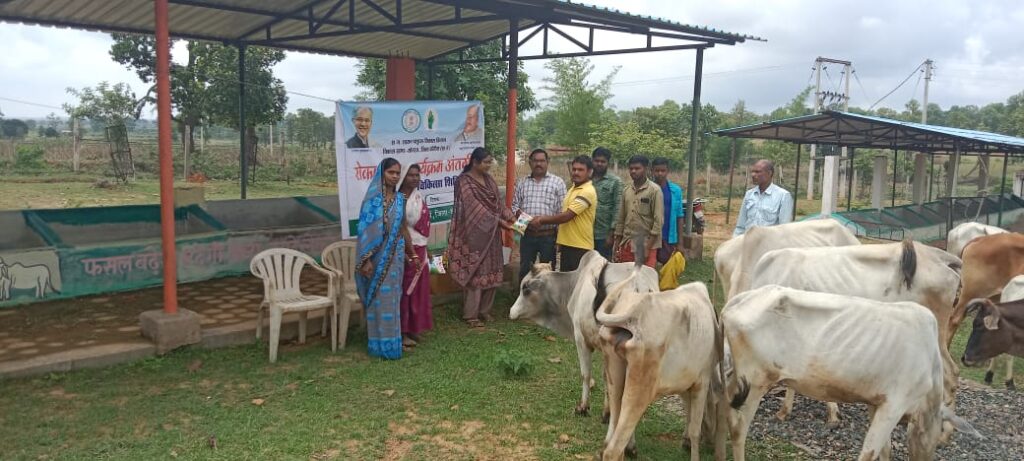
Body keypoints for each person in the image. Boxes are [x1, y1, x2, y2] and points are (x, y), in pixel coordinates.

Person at [448, 147, 515, 328]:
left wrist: (510, 217)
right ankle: (471, 315)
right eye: (486, 162)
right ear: (475, 162)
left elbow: (497, 204)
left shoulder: (489, 180)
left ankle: (485, 311)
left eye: (490, 162)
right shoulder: (464, 181)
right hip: (472, 236)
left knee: (492, 270)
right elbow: (474, 209)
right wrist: (500, 223)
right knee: (475, 273)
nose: (489, 165)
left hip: (491, 235)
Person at [356, 157, 415, 360]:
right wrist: (366, 260)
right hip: (376, 258)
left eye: (398, 173)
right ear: (382, 174)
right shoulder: (372, 201)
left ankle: (392, 344)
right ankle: (377, 344)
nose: (395, 177)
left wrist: (412, 253)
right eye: (391, 172)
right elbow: (364, 231)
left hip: (396, 256)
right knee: (378, 301)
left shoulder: (400, 199)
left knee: (392, 299)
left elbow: (403, 228)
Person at [528, 155, 597, 272]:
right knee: (566, 283)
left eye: (580, 170)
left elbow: (567, 216)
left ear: (589, 172)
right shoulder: (573, 189)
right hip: (567, 245)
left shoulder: (587, 191)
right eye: (574, 169)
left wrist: (541, 219)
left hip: (580, 246)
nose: (576, 172)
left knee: (576, 285)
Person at [512, 148, 566, 281]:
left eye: (542, 161)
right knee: (525, 269)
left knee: (547, 273)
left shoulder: (557, 182)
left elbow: (562, 211)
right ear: (530, 162)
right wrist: (527, 224)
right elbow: (514, 207)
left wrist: (559, 238)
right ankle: (524, 297)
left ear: (548, 162)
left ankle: (545, 300)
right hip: (527, 236)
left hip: (548, 236)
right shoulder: (522, 182)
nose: (538, 164)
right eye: (535, 161)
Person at [399, 164, 433, 347]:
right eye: (410, 175)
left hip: (421, 248)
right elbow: (402, 227)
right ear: (403, 177)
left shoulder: (417, 196)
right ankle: (403, 331)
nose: (414, 178)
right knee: (407, 292)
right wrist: (411, 254)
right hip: (407, 250)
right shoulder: (400, 199)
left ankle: (415, 328)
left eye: (417, 175)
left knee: (420, 292)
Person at [612, 155, 663, 268]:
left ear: (645, 169)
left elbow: (658, 222)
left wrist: (647, 248)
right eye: (631, 168)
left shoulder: (655, 190)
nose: (633, 171)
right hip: (627, 243)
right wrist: (616, 245)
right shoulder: (626, 191)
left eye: (637, 168)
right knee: (626, 279)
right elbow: (621, 219)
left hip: (646, 244)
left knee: (644, 280)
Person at [733, 159, 794, 236]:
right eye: (752, 172)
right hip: (749, 243)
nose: (753, 175)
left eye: (758, 172)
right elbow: (740, 226)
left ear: (769, 173)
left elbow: (784, 229)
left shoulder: (783, 196)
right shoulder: (749, 194)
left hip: (769, 245)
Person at [651, 157, 685, 263]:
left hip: (668, 236)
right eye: (657, 171)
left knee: (667, 268)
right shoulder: (647, 189)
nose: (660, 173)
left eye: (663, 171)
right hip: (651, 236)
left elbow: (679, 216)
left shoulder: (675, 190)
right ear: (652, 171)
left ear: (668, 171)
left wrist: (680, 243)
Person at [591, 147, 623, 259]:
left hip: (604, 234)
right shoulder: (586, 179)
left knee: (602, 267)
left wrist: (611, 234)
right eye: (597, 161)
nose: (599, 164)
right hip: (585, 233)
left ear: (608, 163)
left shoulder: (615, 182)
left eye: (603, 161)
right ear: (592, 161)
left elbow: (618, 208)